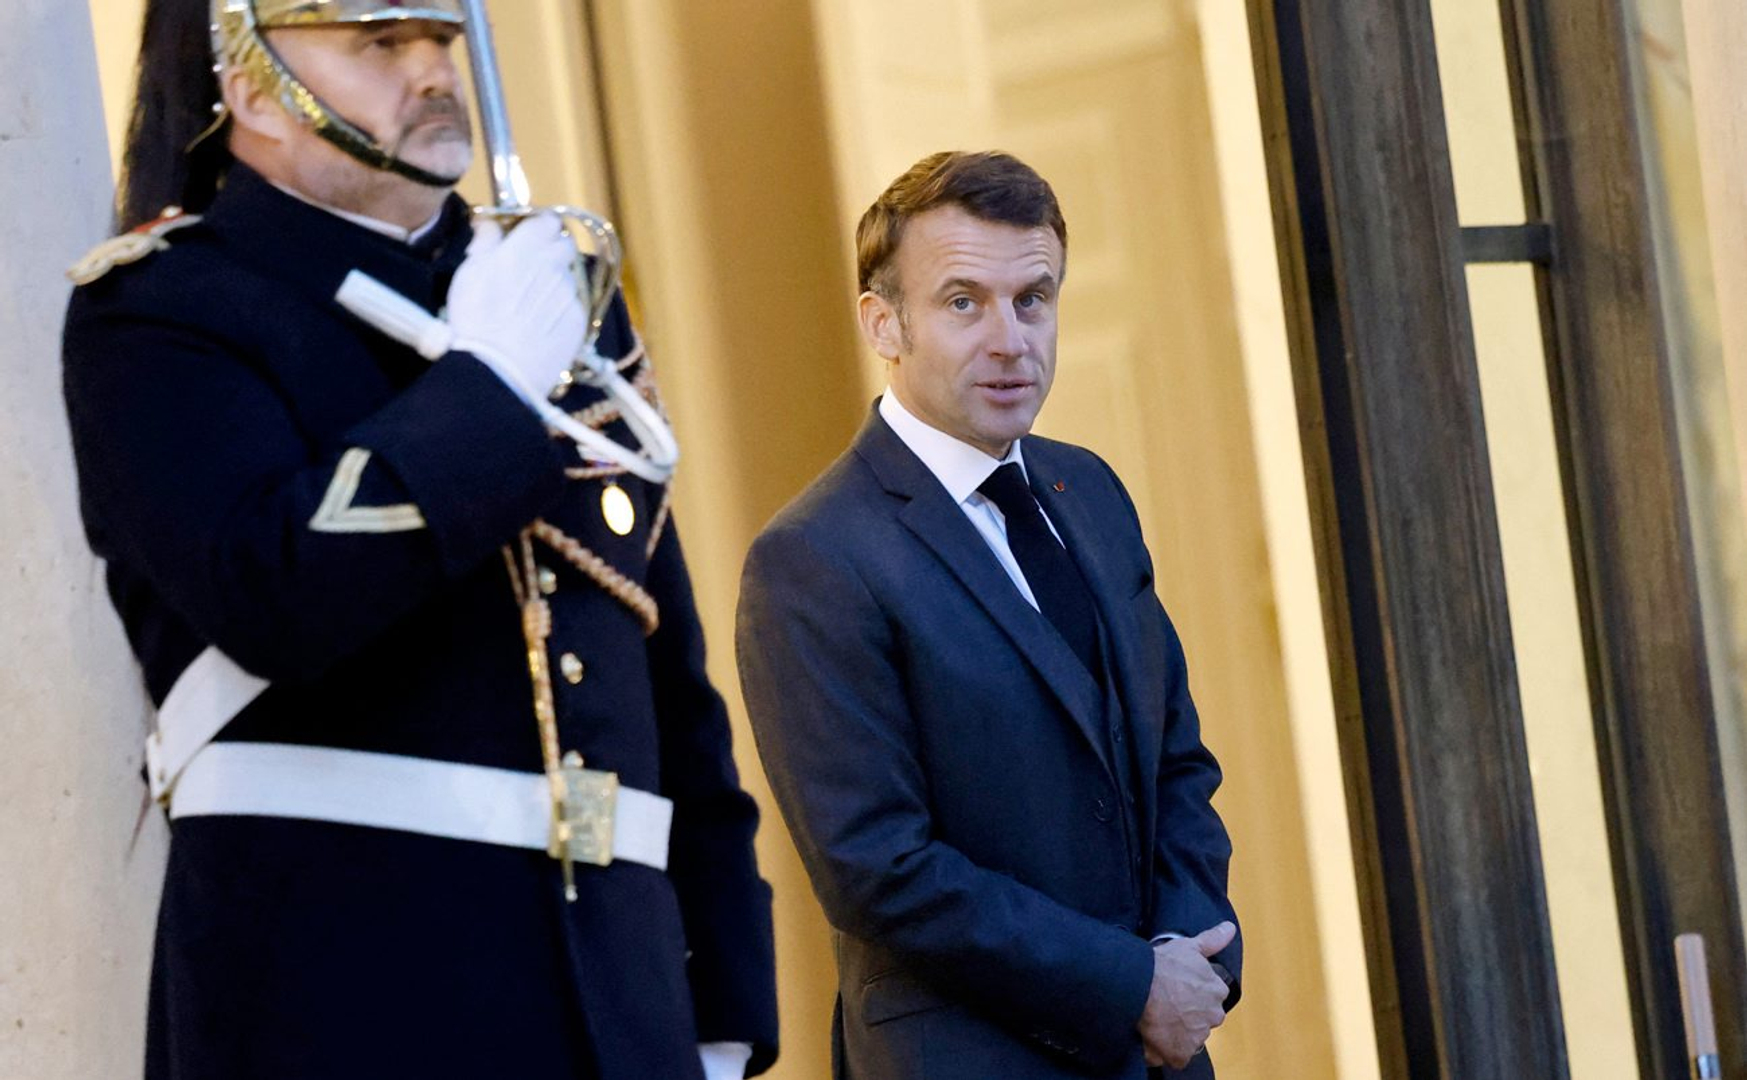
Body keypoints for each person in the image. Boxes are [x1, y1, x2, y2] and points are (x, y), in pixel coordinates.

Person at [61, 2, 777, 1077]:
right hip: (346, 999)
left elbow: (662, 674)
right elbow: (272, 594)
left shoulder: (552, 301)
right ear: (254, 90)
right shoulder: (166, 308)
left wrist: (720, 1017)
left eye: (440, 39)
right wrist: (488, 393)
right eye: (380, 43)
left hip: (618, 1010)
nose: (433, 70)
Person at [736, 150, 1239, 1079]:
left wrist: (1191, 961)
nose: (1009, 339)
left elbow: (1174, 761)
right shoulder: (812, 557)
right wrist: (1126, 985)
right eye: (963, 302)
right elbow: (879, 868)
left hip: (1158, 1052)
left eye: (1032, 300)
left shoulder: (1088, 488)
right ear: (883, 323)